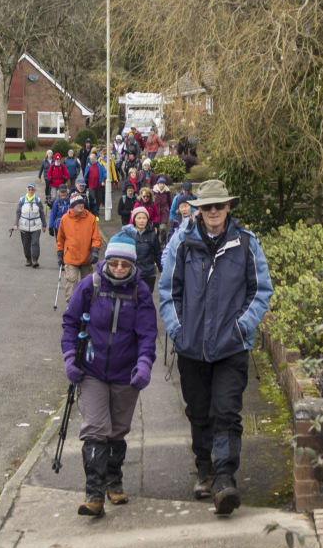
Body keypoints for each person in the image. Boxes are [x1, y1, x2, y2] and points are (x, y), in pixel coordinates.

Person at [158, 179, 273, 515]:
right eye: (206, 206)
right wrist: (178, 331)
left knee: (226, 412)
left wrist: (241, 328)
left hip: (230, 347)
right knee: (198, 411)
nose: (212, 212)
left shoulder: (246, 243)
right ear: (198, 210)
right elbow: (168, 292)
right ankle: (204, 469)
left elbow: (260, 291)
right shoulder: (183, 243)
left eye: (218, 206)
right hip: (191, 346)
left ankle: (224, 478)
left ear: (227, 208)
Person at [61, 232, 157, 517]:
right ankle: (94, 494)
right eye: (114, 262)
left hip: (125, 373)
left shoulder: (139, 292)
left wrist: (144, 364)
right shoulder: (90, 286)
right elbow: (70, 323)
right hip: (90, 370)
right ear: (106, 261)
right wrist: (69, 358)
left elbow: (148, 334)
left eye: (124, 265)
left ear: (133, 265)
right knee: (95, 429)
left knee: (117, 431)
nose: (118, 268)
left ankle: (114, 481)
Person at [56, 192, 102, 303]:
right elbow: (60, 238)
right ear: (72, 206)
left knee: (87, 283)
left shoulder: (91, 218)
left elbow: (96, 237)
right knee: (71, 281)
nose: (81, 205)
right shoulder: (65, 219)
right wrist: (59, 253)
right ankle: (71, 304)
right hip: (70, 257)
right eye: (78, 204)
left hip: (87, 257)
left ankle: (87, 303)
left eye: (82, 203)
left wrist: (95, 251)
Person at [123, 206, 162, 293]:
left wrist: (162, 269)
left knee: (146, 301)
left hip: (148, 274)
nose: (141, 220)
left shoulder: (153, 235)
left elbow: (158, 254)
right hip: (131, 273)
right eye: (139, 218)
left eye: (144, 218)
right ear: (134, 219)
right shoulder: (128, 235)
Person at [13, 183, 47, 268]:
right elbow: (18, 212)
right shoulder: (22, 200)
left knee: (35, 242)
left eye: (32, 189)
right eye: (29, 189)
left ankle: (34, 259)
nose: (30, 191)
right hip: (24, 225)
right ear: (27, 190)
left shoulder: (38, 201)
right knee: (26, 244)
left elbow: (42, 213)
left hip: (36, 225)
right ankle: (28, 258)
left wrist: (44, 225)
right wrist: (15, 224)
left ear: (35, 190)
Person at [153, 176, 172, 247]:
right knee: (156, 229)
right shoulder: (154, 191)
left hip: (164, 213)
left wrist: (169, 211)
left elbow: (170, 203)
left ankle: (163, 244)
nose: (162, 185)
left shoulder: (167, 192)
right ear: (158, 184)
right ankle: (156, 243)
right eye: (160, 183)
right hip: (156, 213)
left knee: (163, 228)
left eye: (163, 184)